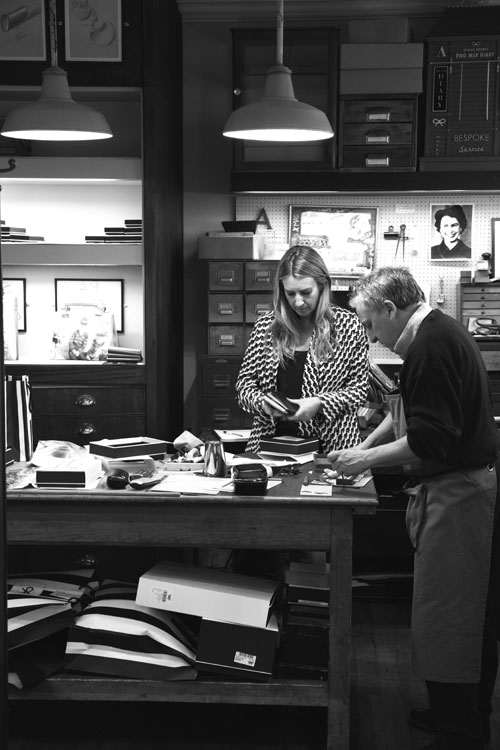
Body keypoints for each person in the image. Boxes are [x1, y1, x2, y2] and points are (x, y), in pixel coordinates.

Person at [327, 266, 499, 750]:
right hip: (457, 490)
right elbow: (412, 411)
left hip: (459, 494)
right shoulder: (437, 333)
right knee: (458, 614)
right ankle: (459, 715)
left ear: (389, 309)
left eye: (368, 323)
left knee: (453, 616)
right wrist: (371, 441)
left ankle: (460, 728)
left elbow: (429, 439)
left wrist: (363, 458)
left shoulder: (430, 345)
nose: (368, 334)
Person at [235, 244, 370, 455]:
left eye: (306, 292)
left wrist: (319, 403)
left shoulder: (348, 325)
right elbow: (244, 386)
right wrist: (263, 403)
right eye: (290, 293)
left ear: (323, 286)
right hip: (271, 447)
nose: (298, 302)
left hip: (333, 448)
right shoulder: (266, 327)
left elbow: (359, 390)